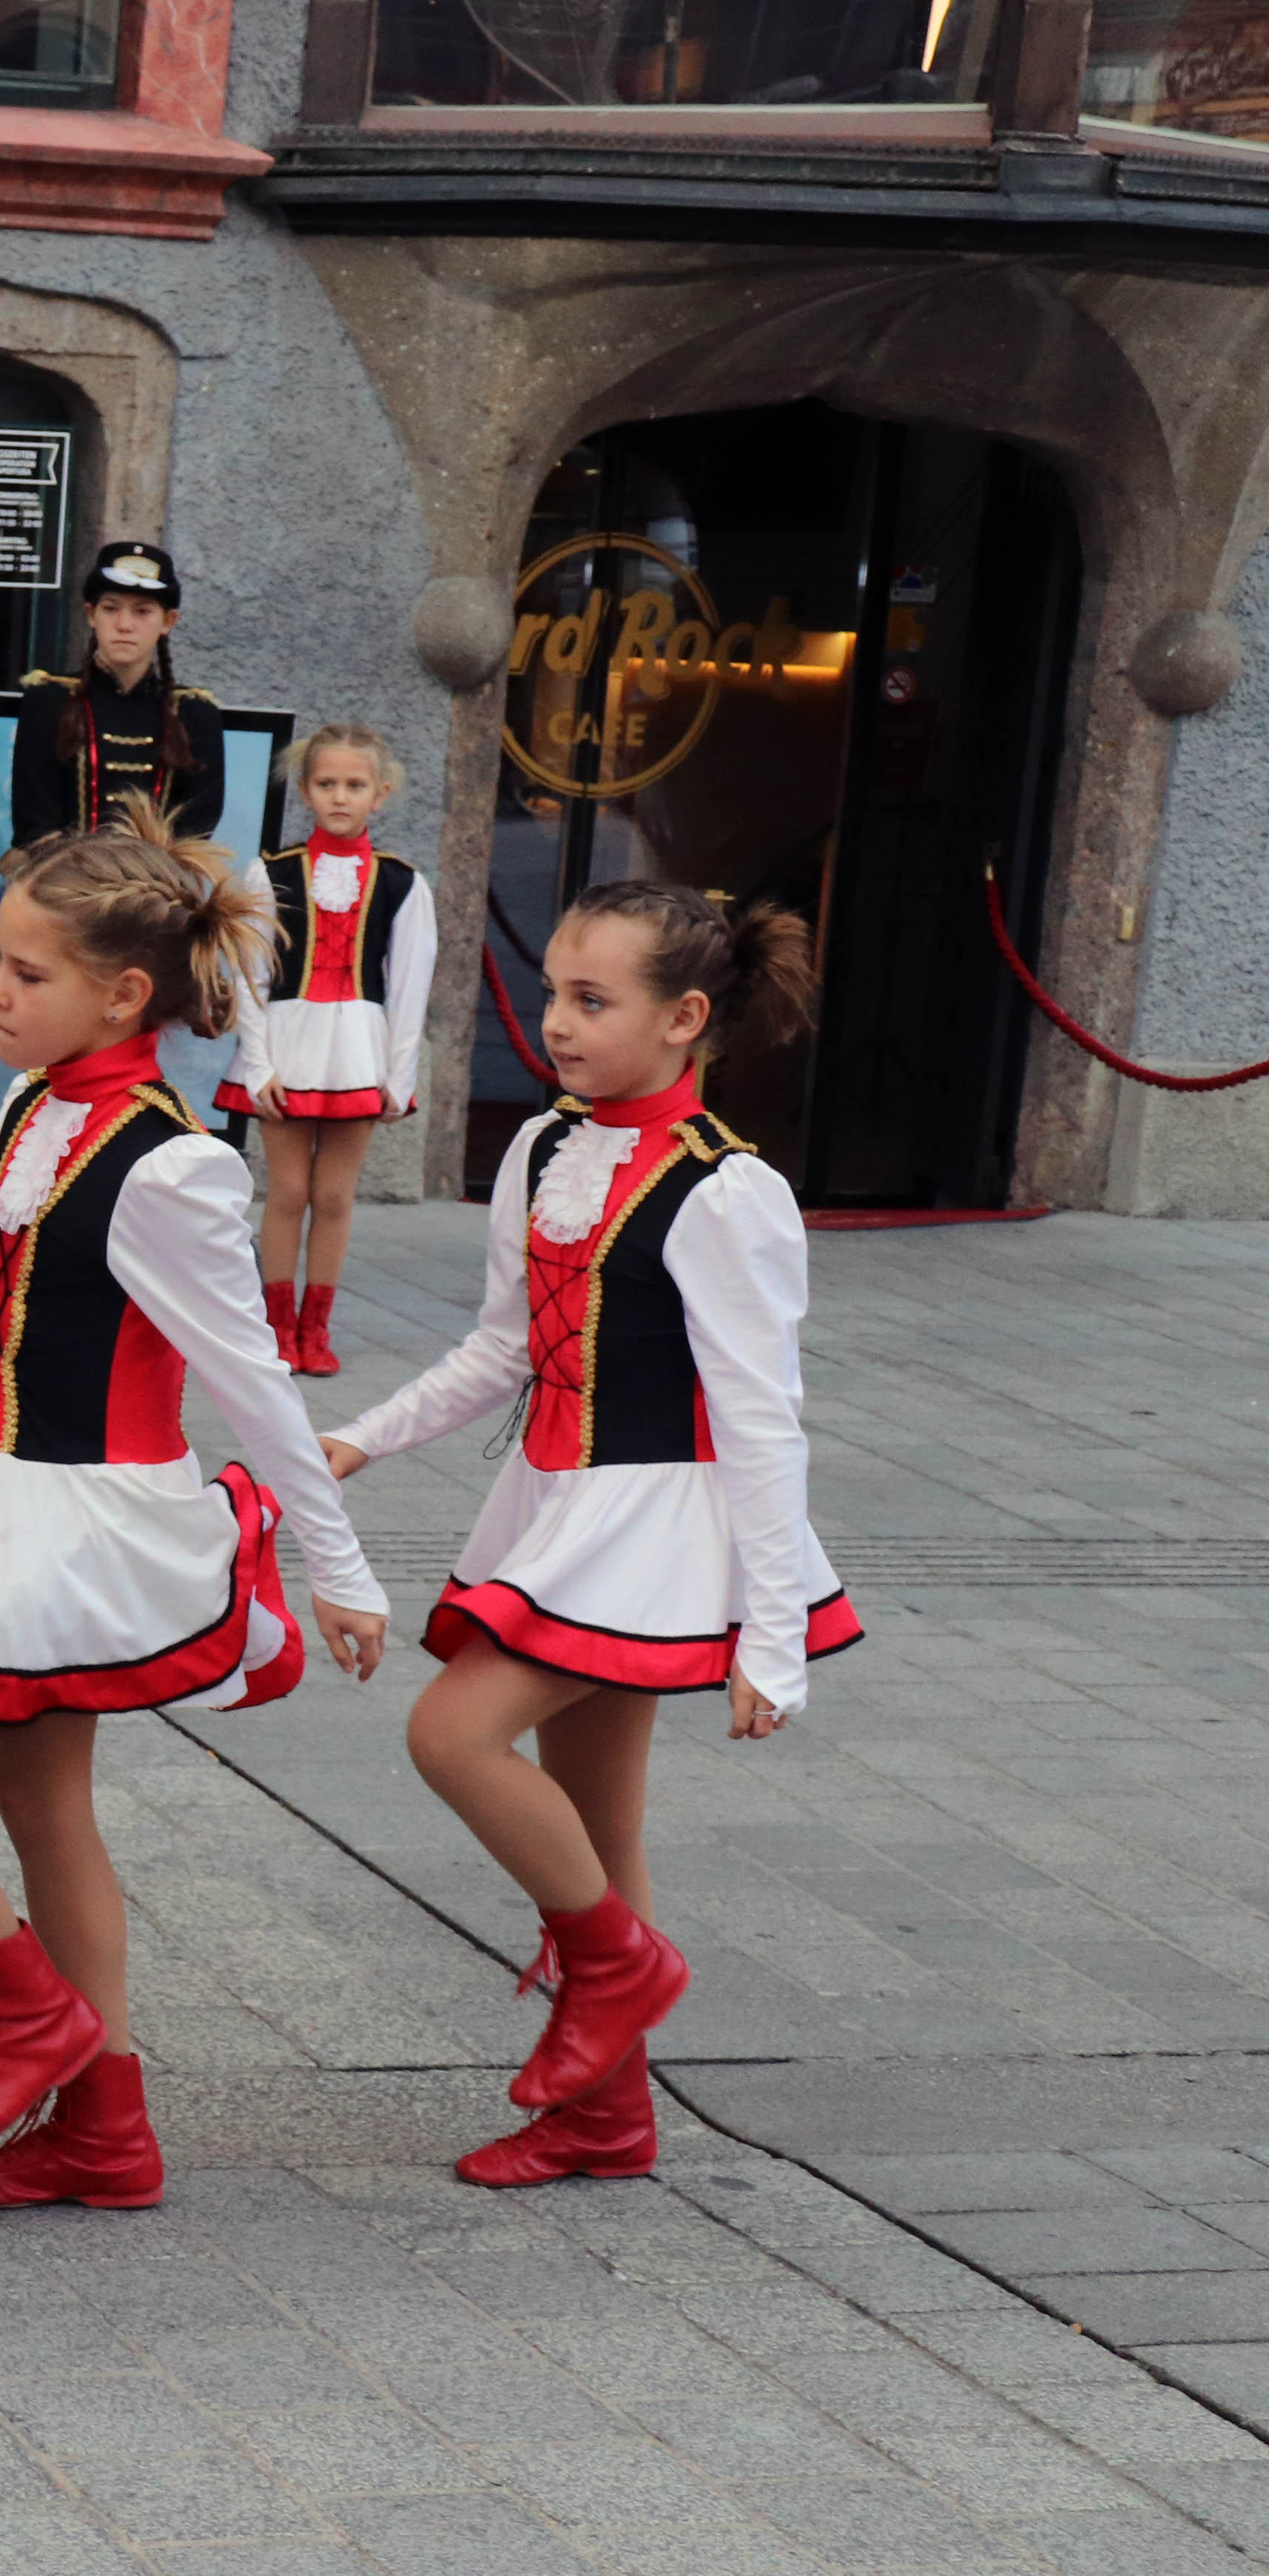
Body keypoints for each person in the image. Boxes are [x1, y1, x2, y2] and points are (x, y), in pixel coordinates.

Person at [0, 799, 385, 2214]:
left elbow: (255, 1385)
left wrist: (340, 1571)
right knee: (45, 1798)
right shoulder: (36, 1111)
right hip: (1, 1496)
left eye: (25, 974)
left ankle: (21, 2002)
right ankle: (105, 2129)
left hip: (88, 1514)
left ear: (124, 994)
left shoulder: (175, 1164)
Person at [324, 879, 855, 2188]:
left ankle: (622, 1969)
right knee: (600, 1831)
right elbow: (503, 1346)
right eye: (554, 992)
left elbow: (764, 1420)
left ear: (685, 1019)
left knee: (451, 1730)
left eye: (590, 1000)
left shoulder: (729, 1194)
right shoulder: (546, 1149)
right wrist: (360, 1437)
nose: (556, 1022)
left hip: (660, 1524)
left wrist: (773, 1638)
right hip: (557, 1507)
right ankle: (610, 2119)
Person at [219, 726, 437, 1378]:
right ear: (305, 792)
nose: (340, 797)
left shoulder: (402, 883)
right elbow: (249, 974)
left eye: (355, 785)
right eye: (326, 784)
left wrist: (399, 1075)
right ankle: (278, 1324)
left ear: (381, 794)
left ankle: (318, 1328)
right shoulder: (273, 871)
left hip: (357, 1053)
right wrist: (258, 1064)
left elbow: (409, 985)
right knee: (287, 1189)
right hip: (288, 1045)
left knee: (336, 1195)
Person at [13, 541, 226, 844]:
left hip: (158, 884)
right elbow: (36, 824)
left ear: (168, 622)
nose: (124, 625)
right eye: (111, 609)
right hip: (67, 882)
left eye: (142, 612)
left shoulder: (193, 712)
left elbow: (196, 828)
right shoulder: (50, 700)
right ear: (91, 615)